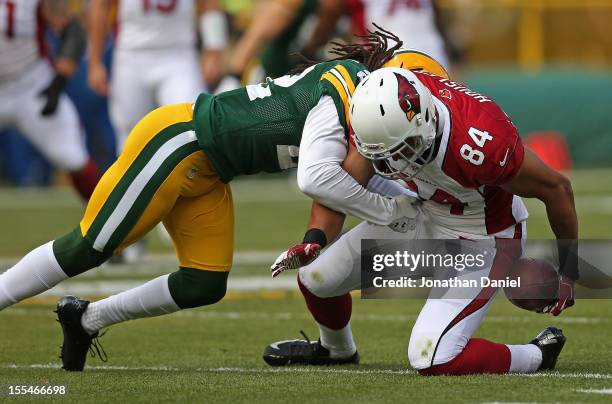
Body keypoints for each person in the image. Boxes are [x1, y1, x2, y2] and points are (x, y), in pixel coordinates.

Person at [0, 29, 417, 372]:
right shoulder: (343, 84)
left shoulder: (358, 111)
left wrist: (322, 234)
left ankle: (87, 320)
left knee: (204, 282)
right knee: (89, 247)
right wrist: (394, 212)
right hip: (181, 141)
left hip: (211, 171)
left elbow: (344, 182)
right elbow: (318, 178)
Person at [264, 48, 578, 375]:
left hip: (483, 240)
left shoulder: (480, 142)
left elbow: (557, 188)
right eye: (381, 156)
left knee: (431, 357)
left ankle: (537, 355)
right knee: (316, 278)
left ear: (424, 120)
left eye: (402, 149)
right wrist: (313, 239)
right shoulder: (378, 121)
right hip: (422, 216)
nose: (391, 162)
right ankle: (336, 350)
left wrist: (570, 269)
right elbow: (342, 188)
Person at [88, 0, 228, 153]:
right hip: (132, 53)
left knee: (192, 125)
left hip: (178, 53)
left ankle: (187, 175)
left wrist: (214, 52)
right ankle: (135, 177)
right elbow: (100, 5)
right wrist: (94, 61)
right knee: (130, 135)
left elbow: (209, 3)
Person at [0, 0, 99, 200]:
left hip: (32, 86)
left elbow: (73, 31)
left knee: (72, 157)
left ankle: (117, 223)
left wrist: (57, 83)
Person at [216, 0, 344, 92]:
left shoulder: (348, 8)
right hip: (271, 79)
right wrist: (233, 76)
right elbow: (256, 35)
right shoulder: (293, 4)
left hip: (307, 82)